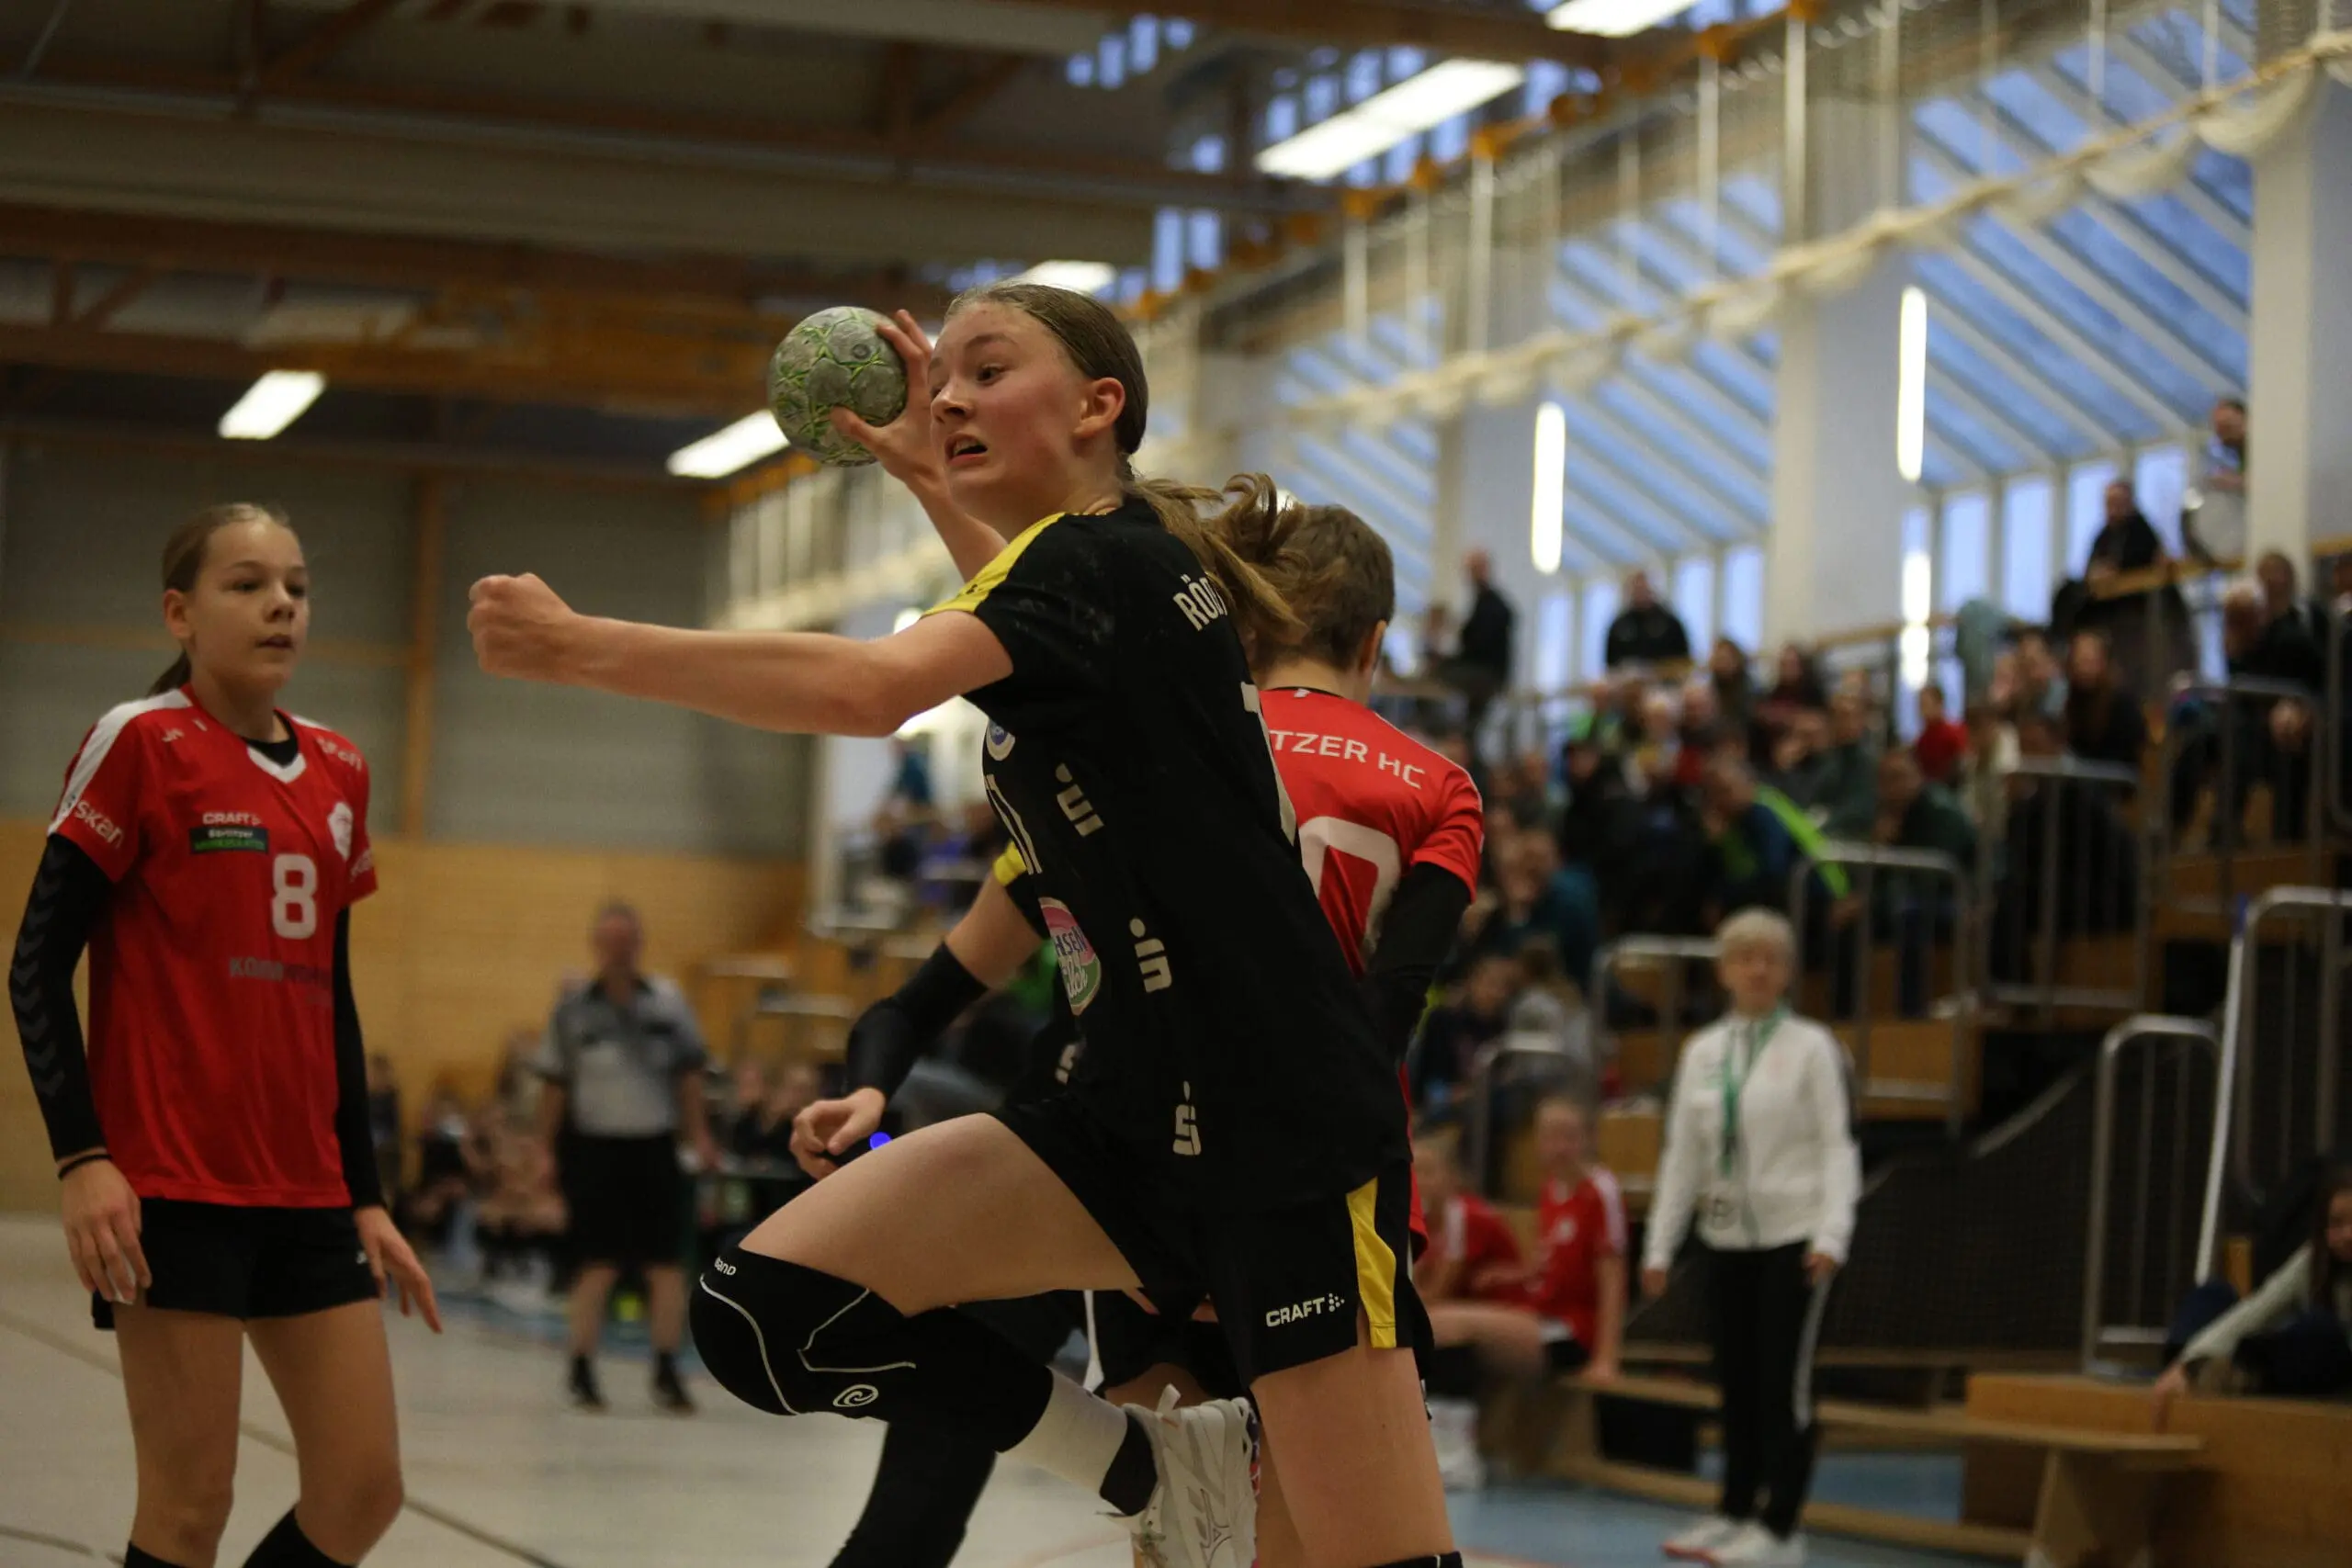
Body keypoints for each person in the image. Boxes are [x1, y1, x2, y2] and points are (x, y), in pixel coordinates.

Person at [468, 282, 1463, 1568]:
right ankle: (1142, 1462)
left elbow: (875, 688)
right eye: (940, 381)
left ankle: (1169, 1464)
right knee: (766, 1312)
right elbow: (1021, 622)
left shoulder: (1105, 558)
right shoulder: (1100, 576)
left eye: (986, 371)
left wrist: (583, 647)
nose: (946, 398)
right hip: (1123, 1114)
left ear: (1099, 405)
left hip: (1279, 1126)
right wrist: (930, 479)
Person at [791, 487, 1485, 1568]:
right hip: (1314, 1195)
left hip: (1120, 1174)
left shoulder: (1148, 762)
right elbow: (1383, 1016)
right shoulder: (1433, 785)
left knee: (1162, 1529)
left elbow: (1027, 634)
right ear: (1376, 641)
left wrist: (936, 482)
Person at [9, 503, 439, 1568]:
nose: (280, 604)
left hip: (306, 1194)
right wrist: (82, 1157)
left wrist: (366, 1193)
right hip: (171, 1192)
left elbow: (330, 998)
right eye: (246, 585)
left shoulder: (340, 768)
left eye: (295, 586)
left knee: (364, 1490)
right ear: (180, 613)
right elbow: (34, 966)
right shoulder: (140, 743)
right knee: (190, 1505)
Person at [1644, 908, 1860, 1568]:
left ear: (1789, 971)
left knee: (1781, 1385)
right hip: (1724, 1237)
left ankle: (1781, 1525)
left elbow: (1838, 1146)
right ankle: (1734, 1509)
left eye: (1771, 958)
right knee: (1734, 1379)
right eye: (1745, 958)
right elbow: (1683, 1154)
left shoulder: (1814, 1047)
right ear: (1724, 970)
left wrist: (1833, 1233)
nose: (1758, 969)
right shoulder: (1702, 1051)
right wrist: (1660, 1245)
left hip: (1796, 1238)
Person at [531, 902, 722, 1415]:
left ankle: (666, 1368)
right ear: (597, 946)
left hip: (655, 1148)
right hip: (595, 1149)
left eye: (627, 940)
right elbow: (554, 1086)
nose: (619, 950)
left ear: (639, 944)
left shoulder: (669, 1003)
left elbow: (689, 1076)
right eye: (610, 941)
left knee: (667, 1265)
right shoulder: (573, 1010)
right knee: (595, 1263)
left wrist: (699, 1137)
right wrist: (544, 1149)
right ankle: (581, 1367)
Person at [1421, 1096, 1626, 1491]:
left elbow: (1612, 1275)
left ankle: (1458, 1457)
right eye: (1549, 1136)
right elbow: (1551, 1266)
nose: (1558, 1146)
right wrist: (1514, 1275)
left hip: (1570, 1331)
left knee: (1445, 1324)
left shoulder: (1599, 1190)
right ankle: (1448, 1446)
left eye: (1568, 1136)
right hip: (1541, 1316)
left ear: (1589, 1138)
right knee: (1438, 1323)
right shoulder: (1551, 1189)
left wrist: (1606, 1358)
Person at [2153, 1164, 2352, 1422]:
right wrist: (2187, 1363)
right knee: (2212, 1294)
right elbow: (2258, 1309)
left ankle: (2234, 1376)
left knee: (2320, 1328)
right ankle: (2194, 1374)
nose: (2348, 1235)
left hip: (2316, 1373)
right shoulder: (2313, 1259)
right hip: (2252, 1354)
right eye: (2337, 1223)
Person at [2061, 629, 2147, 773]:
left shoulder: (2122, 704)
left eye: (2089, 661)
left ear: (2103, 662)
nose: (2083, 668)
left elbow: (2129, 753)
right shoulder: (2072, 700)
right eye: (2078, 661)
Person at [2183, 397, 2247, 567]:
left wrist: (2237, 482)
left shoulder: (2260, 449)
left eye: (2227, 426)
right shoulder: (2231, 456)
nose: (2222, 434)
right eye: (2218, 428)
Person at [1604, 570, 1693, 670]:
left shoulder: (1669, 623)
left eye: (1643, 587)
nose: (1640, 592)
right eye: (1636, 588)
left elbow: (1684, 659)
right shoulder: (1619, 625)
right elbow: (1610, 663)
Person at [1911, 682, 1967, 787]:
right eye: (1920, 705)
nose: (1922, 710)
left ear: (1939, 704)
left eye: (1926, 704)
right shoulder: (1922, 740)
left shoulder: (1954, 734)